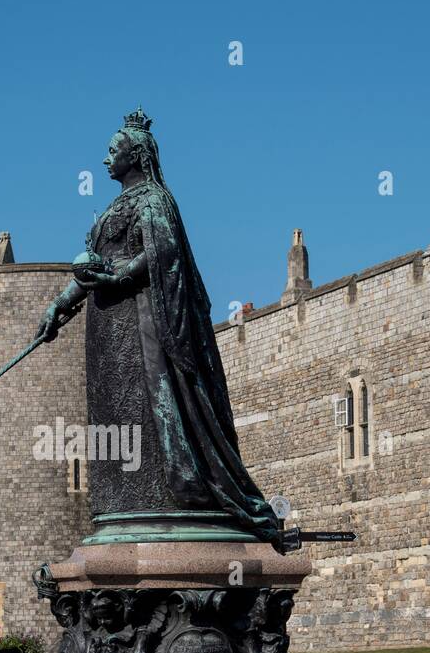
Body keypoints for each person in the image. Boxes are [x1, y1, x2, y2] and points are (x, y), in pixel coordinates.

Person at [33, 108, 281, 546]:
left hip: (145, 319)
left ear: (137, 155)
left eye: (115, 149)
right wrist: (57, 306)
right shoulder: (110, 210)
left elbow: (163, 255)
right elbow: (89, 271)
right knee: (113, 409)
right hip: (107, 331)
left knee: (153, 399)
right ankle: (124, 503)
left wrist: (121, 276)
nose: (107, 156)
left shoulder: (154, 201)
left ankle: (180, 489)